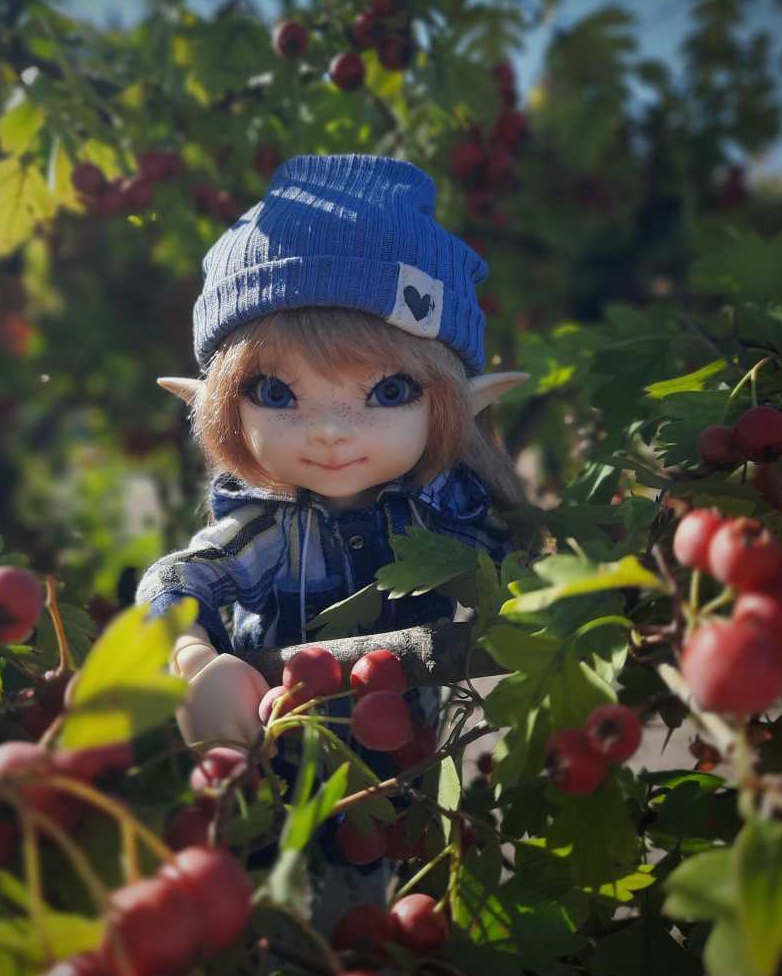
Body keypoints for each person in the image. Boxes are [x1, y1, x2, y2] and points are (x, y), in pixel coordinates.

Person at [136, 153, 529, 920]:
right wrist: (193, 659)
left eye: (389, 390)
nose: (328, 432)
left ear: (457, 402)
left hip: (401, 773)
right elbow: (178, 579)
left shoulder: (450, 518)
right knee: (266, 910)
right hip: (272, 770)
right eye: (274, 391)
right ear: (218, 405)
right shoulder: (270, 532)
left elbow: (518, 572)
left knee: (380, 903)